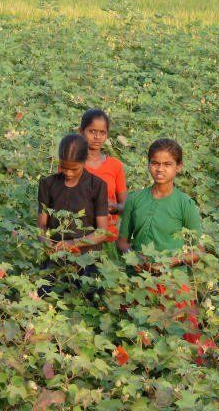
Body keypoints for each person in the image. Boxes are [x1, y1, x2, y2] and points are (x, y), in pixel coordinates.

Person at [117, 138, 203, 342]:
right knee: (139, 341)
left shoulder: (185, 204)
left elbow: (198, 251)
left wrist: (170, 262)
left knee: (178, 341)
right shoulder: (134, 199)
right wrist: (135, 259)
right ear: (148, 164)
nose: (160, 169)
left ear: (178, 167)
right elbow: (122, 241)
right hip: (139, 280)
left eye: (167, 164)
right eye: (155, 163)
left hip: (174, 284)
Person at [37, 134, 109, 294]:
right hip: (55, 259)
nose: (68, 173)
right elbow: (41, 225)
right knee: (45, 299)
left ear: (84, 161)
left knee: (87, 298)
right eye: (64, 167)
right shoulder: (47, 184)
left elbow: (102, 232)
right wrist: (46, 243)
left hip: (87, 260)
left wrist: (73, 243)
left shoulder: (97, 186)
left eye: (74, 168)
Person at [79, 109, 127, 247]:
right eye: (92, 131)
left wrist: (114, 207)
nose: (97, 137)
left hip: (108, 239)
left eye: (102, 132)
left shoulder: (115, 165)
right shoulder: (72, 164)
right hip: (78, 237)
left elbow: (126, 205)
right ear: (81, 132)